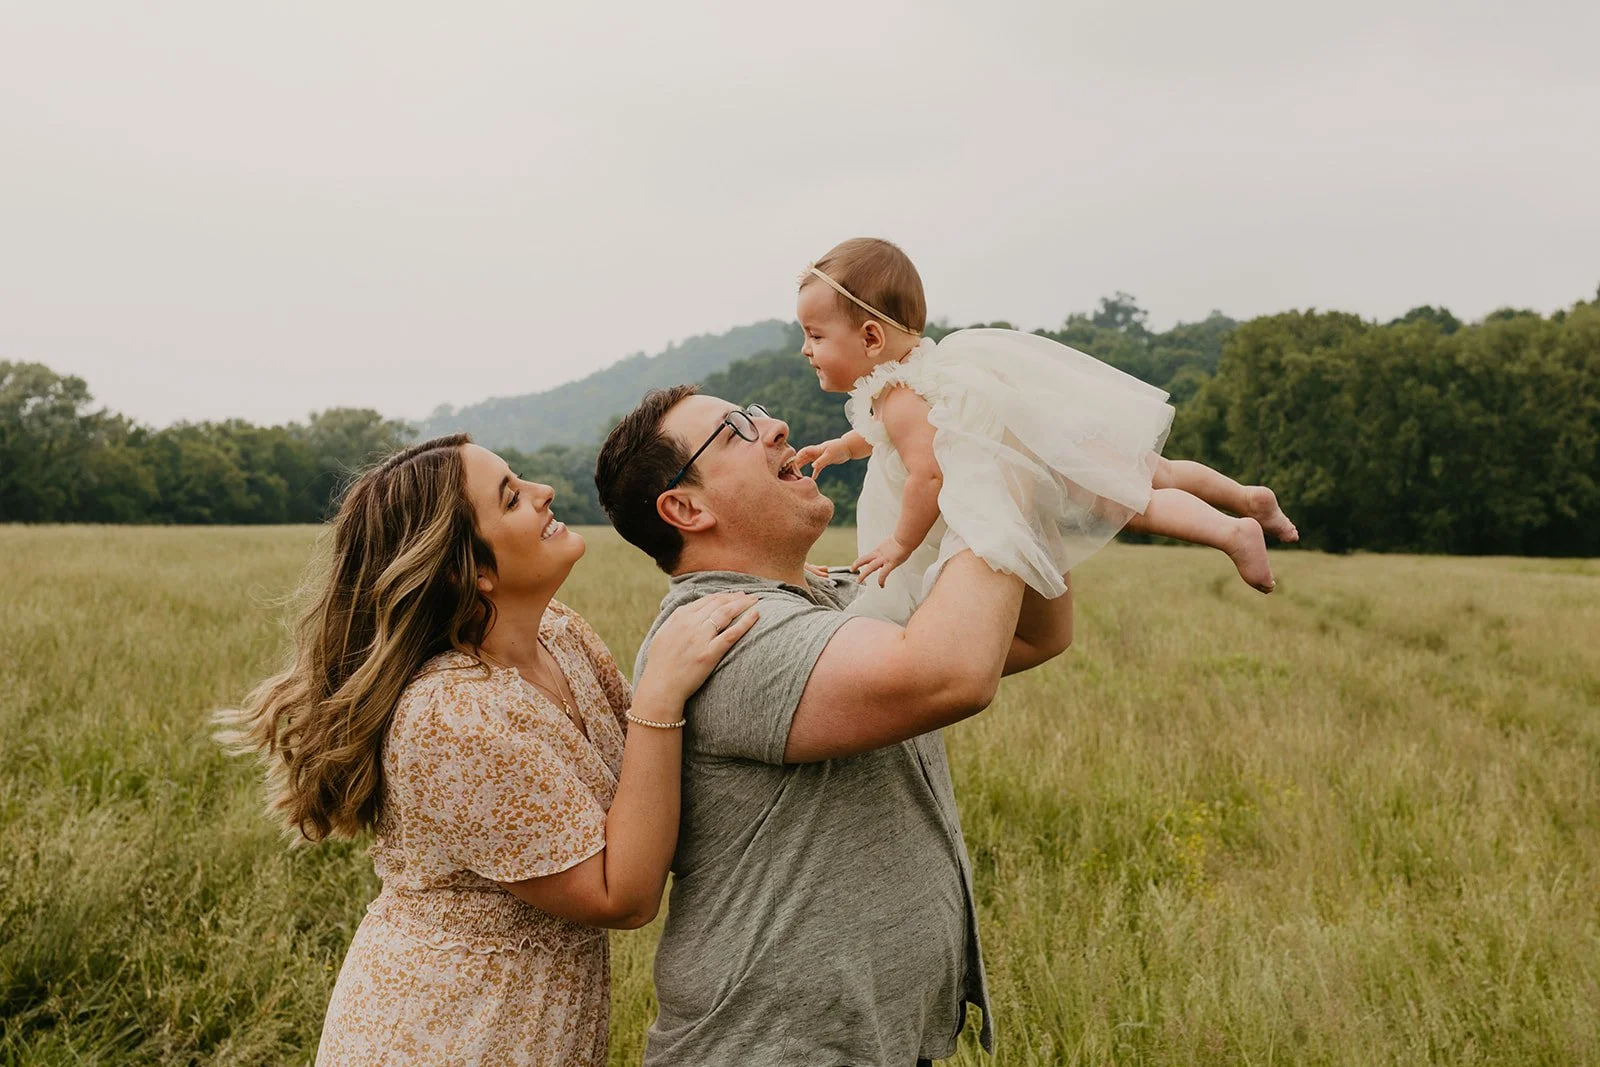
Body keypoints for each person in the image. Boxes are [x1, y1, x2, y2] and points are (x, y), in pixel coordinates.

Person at [218, 434, 758, 1066]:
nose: (544, 492)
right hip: (452, 1032)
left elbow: (649, 773)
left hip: (532, 1019)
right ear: (465, 570)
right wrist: (660, 698)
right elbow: (623, 895)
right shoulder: (452, 718)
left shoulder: (559, 632)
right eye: (512, 498)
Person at [594, 389, 1075, 1065]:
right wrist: (990, 471)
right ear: (686, 507)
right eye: (736, 431)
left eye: (757, 410)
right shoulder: (723, 634)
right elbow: (954, 672)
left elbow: (1035, 633)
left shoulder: (824, 596)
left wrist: (1025, 489)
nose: (776, 426)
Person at [793, 237, 1299, 624]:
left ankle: (1231, 531)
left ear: (872, 337)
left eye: (815, 335)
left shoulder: (900, 401)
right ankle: (1249, 497)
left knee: (1134, 502)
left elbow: (928, 476)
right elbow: (883, 435)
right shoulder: (907, 379)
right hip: (1054, 433)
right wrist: (843, 447)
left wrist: (901, 543)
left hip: (1042, 462)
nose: (805, 349)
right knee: (1156, 472)